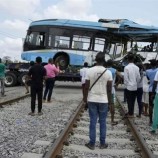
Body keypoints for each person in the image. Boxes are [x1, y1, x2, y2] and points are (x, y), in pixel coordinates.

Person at [83, 52, 113, 150]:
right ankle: (102, 143)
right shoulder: (108, 72)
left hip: (92, 99)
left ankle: (92, 144)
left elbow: (86, 87)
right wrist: (110, 102)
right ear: (104, 60)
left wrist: (85, 100)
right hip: (104, 100)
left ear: (95, 60)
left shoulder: (89, 71)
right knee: (103, 122)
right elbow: (109, 89)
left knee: (93, 121)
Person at [124, 53, 141, 117]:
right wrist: (135, 83)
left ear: (128, 59)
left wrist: (127, 84)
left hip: (129, 87)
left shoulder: (126, 67)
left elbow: (126, 78)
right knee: (133, 100)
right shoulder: (137, 68)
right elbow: (138, 78)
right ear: (133, 59)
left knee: (129, 100)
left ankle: (130, 113)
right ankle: (131, 112)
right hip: (135, 87)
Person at [106, 59, 123, 125]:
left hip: (104, 89)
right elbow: (121, 77)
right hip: (112, 88)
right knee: (112, 104)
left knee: (104, 104)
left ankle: (100, 119)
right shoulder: (114, 70)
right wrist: (117, 84)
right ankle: (112, 120)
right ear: (112, 64)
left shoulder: (104, 70)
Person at [146, 60, 158, 125]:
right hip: (157, 90)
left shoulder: (148, 71)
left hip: (151, 90)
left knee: (151, 105)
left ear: (150, 65)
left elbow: (148, 78)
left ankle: (150, 121)